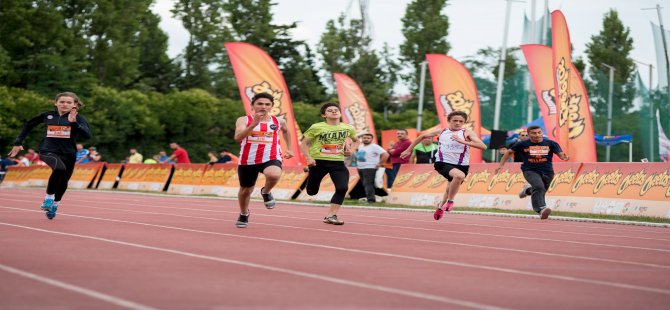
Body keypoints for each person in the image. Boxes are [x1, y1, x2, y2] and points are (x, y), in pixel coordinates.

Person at [8, 92, 91, 219]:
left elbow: (87, 135)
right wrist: (18, 142)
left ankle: (55, 204)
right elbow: (28, 125)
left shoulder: (78, 118)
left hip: (69, 153)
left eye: (69, 102)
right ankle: (48, 197)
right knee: (59, 168)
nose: (65, 104)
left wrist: (74, 123)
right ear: (56, 103)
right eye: (62, 101)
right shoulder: (48, 115)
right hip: (48, 150)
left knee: (64, 180)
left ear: (74, 105)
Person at [401, 111, 487, 220]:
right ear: (449, 121)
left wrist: (463, 142)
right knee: (459, 176)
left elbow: (483, 146)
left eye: (461, 121)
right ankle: (450, 202)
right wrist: (409, 150)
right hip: (442, 163)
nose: (458, 123)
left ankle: (440, 206)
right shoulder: (442, 131)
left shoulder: (467, 133)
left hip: (462, 165)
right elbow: (421, 137)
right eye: (455, 121)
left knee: (449, 189)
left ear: (464, 122)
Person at [233, 92, 294, 228]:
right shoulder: (244, 120)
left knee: (274, 174)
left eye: (267, 104)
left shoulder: (278, 121)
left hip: (270, 156)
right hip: (248, 159)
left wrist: (289, 148)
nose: (263, 107)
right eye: (260, 104)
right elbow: (238, 137)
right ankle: (244, 214)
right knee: (245, 191)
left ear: (271, 106)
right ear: (252, 105)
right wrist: (253, 124)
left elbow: (286, 131)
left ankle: (265, 192)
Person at [301, 102, 357, 225]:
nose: (333, 111)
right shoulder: (317, 127)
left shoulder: (348, 128)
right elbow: (304, 143)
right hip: (318, 162)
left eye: (336, 109)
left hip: (338, 162)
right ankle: (310, 173)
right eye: (329, 110)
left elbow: (356, 140)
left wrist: (351, 150)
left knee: (342, 187)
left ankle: (331, 215)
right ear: (324, 115)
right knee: (312, 192)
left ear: (340, 113)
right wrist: (308, 158)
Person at [496, 125, 569, 220]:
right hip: (530, 170)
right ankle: (541, 209)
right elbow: (508, 152)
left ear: (542, 133)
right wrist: (501, 165)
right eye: (534, 133)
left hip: (547, 171)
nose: (537, 135)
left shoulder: (551, 143)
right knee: (539, 186)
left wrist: (564, 157)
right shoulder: (522, 144)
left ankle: (527, 190)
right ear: (529, 134)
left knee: (540, 190)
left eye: (539, 132)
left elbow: (560, 154)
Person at [354, 133, 389, 203]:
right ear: (362, 139)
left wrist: (379, 164)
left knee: (368, 184)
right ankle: (368, 197)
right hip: (360, 168)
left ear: (372, 139)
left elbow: (386, 154)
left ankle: (371, 200)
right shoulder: (361, 146)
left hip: (370, 167)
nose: (366, 139)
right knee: (365, 184)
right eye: (364, 138)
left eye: (368, 138)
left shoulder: (374, 146)